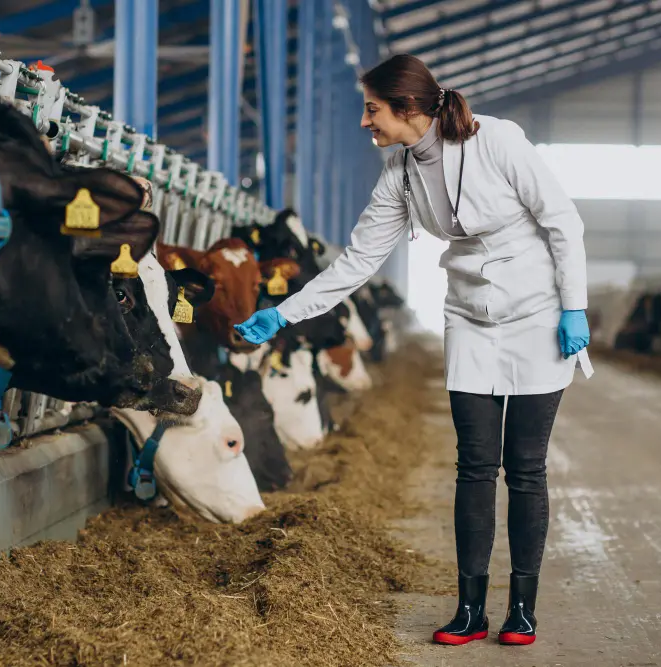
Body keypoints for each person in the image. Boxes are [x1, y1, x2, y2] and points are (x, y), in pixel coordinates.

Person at [234, 53, 592, 647]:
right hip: (471, 320)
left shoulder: (496, 140)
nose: (364, 122)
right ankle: (470, 608)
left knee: (526, 468)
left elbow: (563, 222)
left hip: (538, 316)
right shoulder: (399, 173)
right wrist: (285, 310)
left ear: (406, 108)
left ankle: (522, 609)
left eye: (371, 109)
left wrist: (573, 303)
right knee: (475, 465)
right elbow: (356, 262)